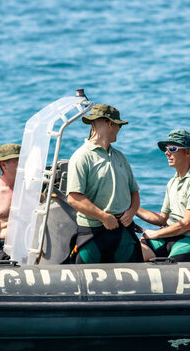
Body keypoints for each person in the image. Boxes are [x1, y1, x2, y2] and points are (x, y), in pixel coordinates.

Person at [66, 104, 142, 264]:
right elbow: (73, 198)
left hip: (123, 232)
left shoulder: (120, 156)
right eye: (118, 125)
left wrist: (132, 211)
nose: (119, 130)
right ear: (110, 124)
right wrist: (103, 217)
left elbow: (134, 192)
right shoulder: (81, 157)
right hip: (93, 233)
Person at [136, 130, 190, 262]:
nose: (167, 153)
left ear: (188, 152)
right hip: (170, 235)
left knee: (171, 266)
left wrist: (155, 234)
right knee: (135, 252)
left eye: (172, 149)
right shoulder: (172, 182)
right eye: (167, 149)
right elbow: (162, 219)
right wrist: (133, 209)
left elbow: (187, 224)